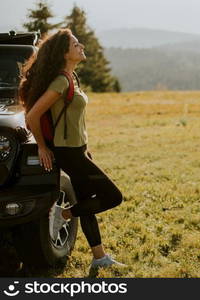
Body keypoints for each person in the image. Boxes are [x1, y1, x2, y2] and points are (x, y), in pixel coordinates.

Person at [19, 28, 125, 269]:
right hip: (67, 152)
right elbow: (33, 115)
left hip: (77, 150)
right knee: (112, 196)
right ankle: (63, 214)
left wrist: (84, 149)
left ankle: (99, 258)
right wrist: (43, 147)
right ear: (64, 53)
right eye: (76, 45)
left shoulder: (71, 78)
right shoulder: (60, 81)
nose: (82, 47)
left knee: (87, 201)